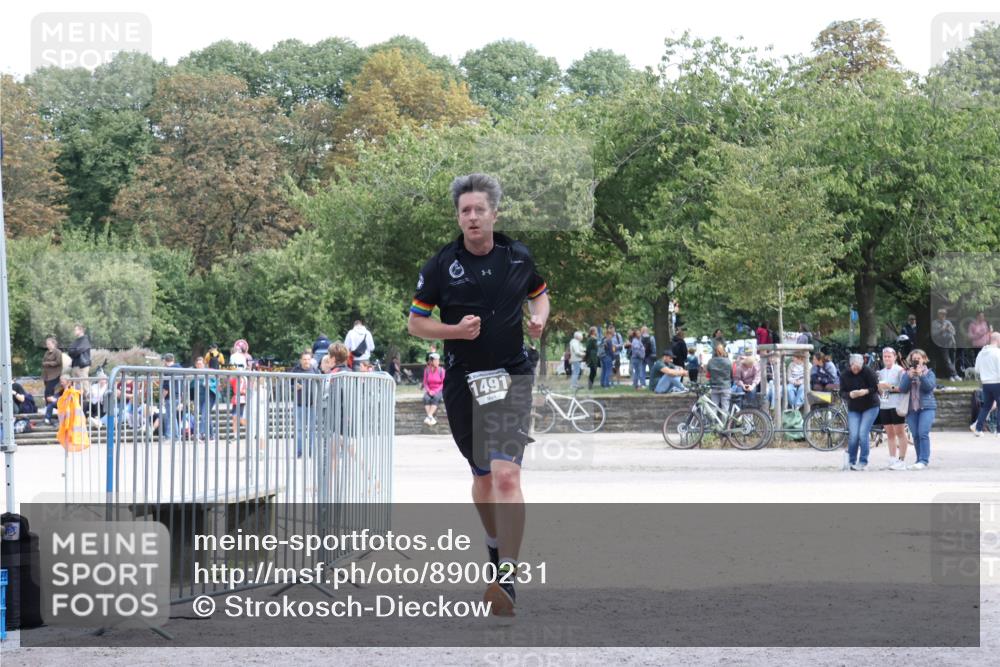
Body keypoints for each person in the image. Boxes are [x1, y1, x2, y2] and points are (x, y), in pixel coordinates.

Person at [407, 173, 549, 617]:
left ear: (494, 214)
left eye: (479, 210)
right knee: (483, 479)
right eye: (464, 210)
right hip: (463, 380)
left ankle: (507, 576)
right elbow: (415, 323)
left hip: (512, 375)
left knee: (508, 476)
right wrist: (454, 330)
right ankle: (493, 544)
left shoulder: (518, 256)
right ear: (459, 217)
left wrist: (539, 319)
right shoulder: (439, 265)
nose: (472, 217)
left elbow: (540, 295)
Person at [840, 353, 880, 471]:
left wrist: (865, 391)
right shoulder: (845, 375)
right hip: (854, 407)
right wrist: (849, 395)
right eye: (854, 367)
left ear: (862, 365)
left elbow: (875, 388)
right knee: (854, 435)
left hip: (870, 406)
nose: (856, 369)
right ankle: (851, 461)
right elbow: (841, 392)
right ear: (850, 364)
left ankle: (863, 461)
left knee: (863, 433)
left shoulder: (868, 372)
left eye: (858, 367)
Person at [898, 349, 937, 469]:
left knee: (923, 433)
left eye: (918, 358)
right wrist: (909, 377)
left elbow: (929, 387)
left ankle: (924, 460)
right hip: (911, 409)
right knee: (915, 434)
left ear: (924, 359)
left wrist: (921, 375)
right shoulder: (907, 373)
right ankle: (919, 459)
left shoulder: (929, 373)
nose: (916, 361)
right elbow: (902, 389)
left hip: (927, 407)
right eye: (914, 359)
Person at [876, 347, 909, 469]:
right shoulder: (881, 372)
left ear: (895, 357)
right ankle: (892, 458)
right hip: (885, 404)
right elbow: (881, 390)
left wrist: (890, 387)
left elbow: (904, 388)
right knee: (889, 433)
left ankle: (902, 460)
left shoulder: (900, 371)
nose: (887, 358)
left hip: (897, 404)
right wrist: (880, 388)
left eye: (889, 356)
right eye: (885, 356)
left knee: (900, 432)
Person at [288, 350, 319, 455]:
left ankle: (311, 452)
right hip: (299, 405)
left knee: (311, 430)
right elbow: (289, 384)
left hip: (312, 405)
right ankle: (299, 452)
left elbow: (320, 385)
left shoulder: (315, 370)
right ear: (301, 360)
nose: (306, 361)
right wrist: (294, 387)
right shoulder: (295, 370)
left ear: (311, 360)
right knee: (299, 430)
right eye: (304, 359)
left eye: (308, 359)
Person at [972, 332, 1000, 437]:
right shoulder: (998, 353)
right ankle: (999, 431)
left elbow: (977, 370)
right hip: (997, 382)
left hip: (985, 383)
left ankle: (978, 429)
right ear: (997, 340)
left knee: (986, 406)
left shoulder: (981, 353)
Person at [190, 356, 219, 442]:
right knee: (207, 415)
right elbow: (191, 386)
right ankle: (211, 436)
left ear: (204, 364)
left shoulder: (209, 372)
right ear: (196, 364)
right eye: (198, 364)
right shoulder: (194, 374)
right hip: (199, 398)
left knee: (204, 415)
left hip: (209, 397)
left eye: (200, 364)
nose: (199, 365)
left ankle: (201, 434)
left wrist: (209, 384)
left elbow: (216, 383)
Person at [931, 309, 960, 381]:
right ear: (938, 315)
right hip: (942, 344)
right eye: (942, 314)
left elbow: (954, 332)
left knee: (952, 360)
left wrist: (950, 329)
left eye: (944, 314)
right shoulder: (934, 323)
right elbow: (934, 334)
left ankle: (952, 375)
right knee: (947, 360)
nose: (943, 316)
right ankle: (953, 375)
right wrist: (942, 329)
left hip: (951, 343)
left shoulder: (948, 322)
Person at [42, 336, 63, 425]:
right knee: (46, 393)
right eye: (47, 344)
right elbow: (43, 361)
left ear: (53, 344)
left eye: (49, 344)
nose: (48, 345)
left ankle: (49, 414)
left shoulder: (58, 352)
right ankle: (48, 410)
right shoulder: (46, 353)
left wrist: (48, 363)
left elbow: (58, 362)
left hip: (54, 375)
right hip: (46, 375)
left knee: (50, 392)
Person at [706, 344, 733, 413]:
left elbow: (708, 373)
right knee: (725, 408)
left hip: (714, 387)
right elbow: (732, 374)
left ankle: (714, 423)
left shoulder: (710, 361)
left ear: (715, 352)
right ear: (723, 351)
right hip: (726, 387)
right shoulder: (728, 362)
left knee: (713, 408)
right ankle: (724, 423)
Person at [422, 353, 446, 425]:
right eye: (436, 360)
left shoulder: (441, 370)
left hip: (438, 390)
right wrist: (429, 391)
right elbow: (425, 383)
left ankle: (429, 416)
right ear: (431, 362)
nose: (438, 362)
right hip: (430, 390)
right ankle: (431, 417)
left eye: (438, 360)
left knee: (436, 398)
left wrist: (435, 391)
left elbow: (443, 383)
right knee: (426, 398)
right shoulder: (426, 370)